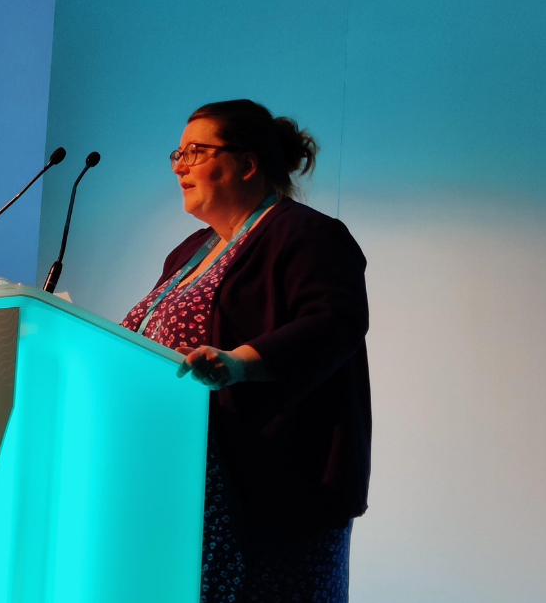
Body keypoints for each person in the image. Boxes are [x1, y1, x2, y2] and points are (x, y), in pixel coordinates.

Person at [121, 99, 371, 603]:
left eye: (195, 152)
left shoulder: (307, 234)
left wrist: (239, 362)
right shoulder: (189, 250)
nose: (179, 166)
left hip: (269, 493)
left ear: (247, 163)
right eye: (177, 154)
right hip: (184, 486)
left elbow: (335, 323)